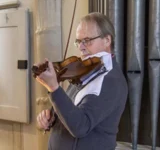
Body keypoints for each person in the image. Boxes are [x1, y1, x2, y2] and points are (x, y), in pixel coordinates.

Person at [36, 12, 128, 150]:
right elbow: (68, 113)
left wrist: (54, 88)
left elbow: (80, 127)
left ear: (107, 40)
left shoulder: (111, 80)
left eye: (87, 40)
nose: (81, 47)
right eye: (78, 41)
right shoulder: (84, 72)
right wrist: (49, 119)